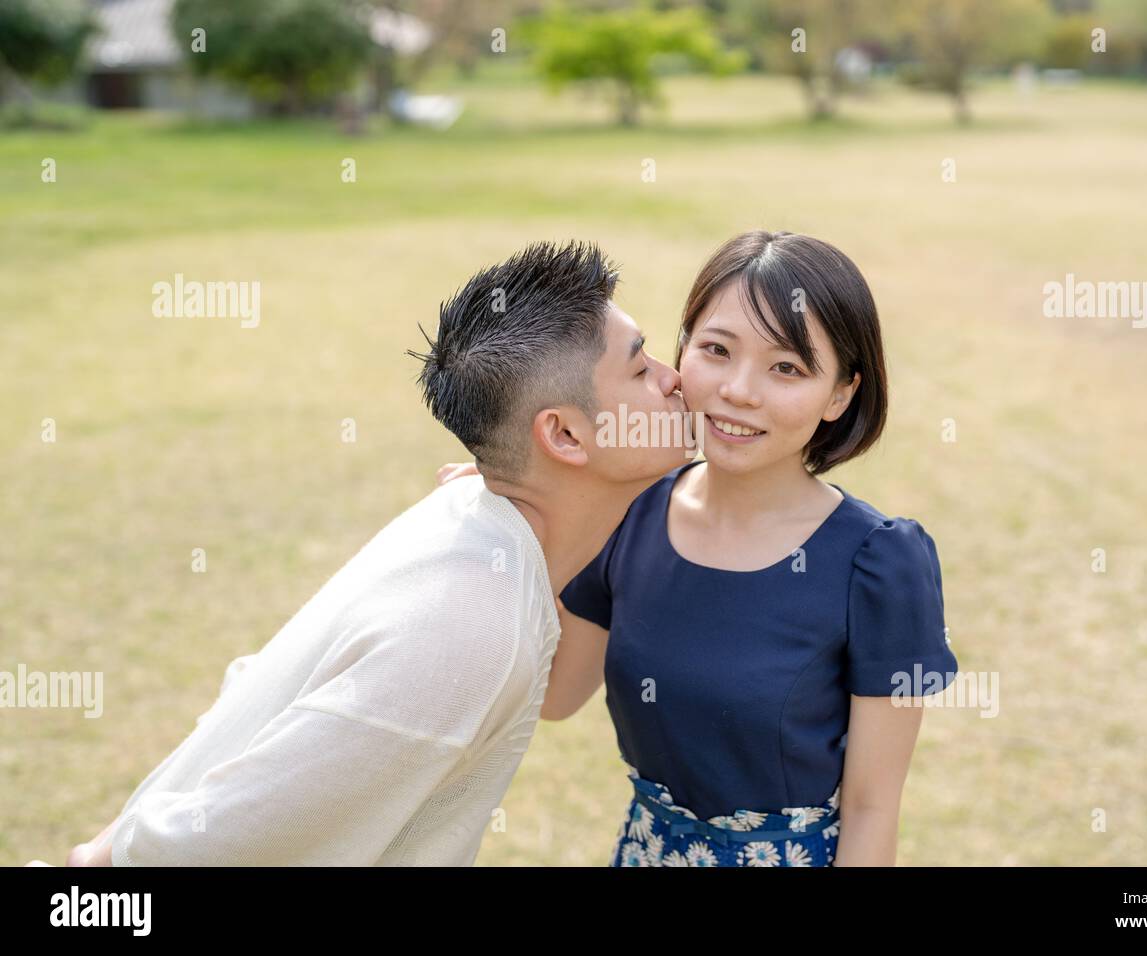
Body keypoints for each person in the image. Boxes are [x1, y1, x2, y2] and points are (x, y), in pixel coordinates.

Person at [50, 239, 693, 867]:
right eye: (641, 368)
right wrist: (96, 862)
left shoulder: (471, 518)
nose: (675, 379)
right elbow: (235, 833)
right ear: (564, 434)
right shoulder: (471, 625)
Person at [445, 230, 958, 867]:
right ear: (682, 349)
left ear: (841, 394)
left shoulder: (880, 564)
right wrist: (524, 506)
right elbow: (555, 697)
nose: (739, 390)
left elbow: (872, 809)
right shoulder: (631, 511)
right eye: (716, 349)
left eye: (786, 368)